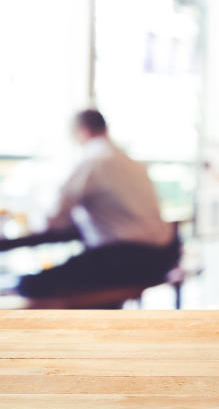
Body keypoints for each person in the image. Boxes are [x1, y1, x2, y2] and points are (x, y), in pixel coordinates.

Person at [16, 110, 179, 298]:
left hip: (127, 259)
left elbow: (53, 218)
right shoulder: (131, 161)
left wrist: (34, 216)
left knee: (29, 285)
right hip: (163, 257)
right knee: (84, 272)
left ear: (82, 131)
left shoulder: (91, 160)